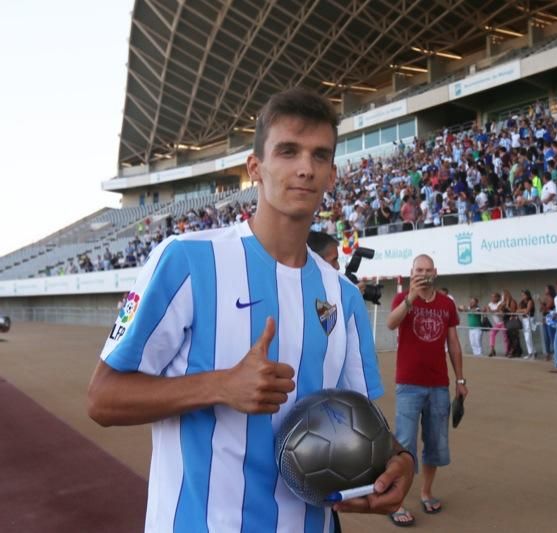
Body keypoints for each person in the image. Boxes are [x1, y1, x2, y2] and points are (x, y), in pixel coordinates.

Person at [87, 88, 414, 533]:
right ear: (254, 168)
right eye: (288, 151)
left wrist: (400, 459)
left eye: (320, 156)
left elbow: (358, 419)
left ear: (332, 174)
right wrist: (221, 385)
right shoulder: (186, 260)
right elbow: (103, 398)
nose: (305, 167)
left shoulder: (343, 295)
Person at [387, 254, 467, 526]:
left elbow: (454, 343)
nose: (423, 273)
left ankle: (426, 492)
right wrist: (411, 297)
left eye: (427, 270)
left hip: (439, 386)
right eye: (418, 270)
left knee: (435, 443)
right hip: (408, 384)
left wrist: (461, 380)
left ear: (436, 272)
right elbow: (391, 323)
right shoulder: (403, 299)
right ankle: (395, 501)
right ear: (412, 272)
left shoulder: (447, 304)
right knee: (405, 444)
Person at [486, 292, 508, 357]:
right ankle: (492, 350)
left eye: (494, 297)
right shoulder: (490, 304)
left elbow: (500, 311)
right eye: (492, 297)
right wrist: (490, 310)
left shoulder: (500, 302)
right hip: (497, 324)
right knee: (491, 333)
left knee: (505, 337)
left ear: (498, 297)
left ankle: (507, 351)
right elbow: (488, 310)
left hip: (503, 322)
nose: (492, 298)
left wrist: (493, 311)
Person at [519, 289, 537, 358]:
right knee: (526, 336)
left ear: (527, 295)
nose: (522, 296)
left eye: (524, 295)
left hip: (530, 319)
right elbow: (517, 310)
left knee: (528, 337)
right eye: (522, 295)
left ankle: (531, 353)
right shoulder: (522, 302)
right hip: (524, 319)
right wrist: (523, 310)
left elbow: (527, 311)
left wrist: (523, 310)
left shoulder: (530, 301)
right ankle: (533, 352)